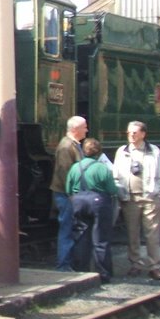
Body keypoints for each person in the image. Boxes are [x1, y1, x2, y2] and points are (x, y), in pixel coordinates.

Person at [113, 121, 160, 280]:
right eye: (129, 132)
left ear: (143, 134)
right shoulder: (121, 152)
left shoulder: (154, 151)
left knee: (152, 233)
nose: (131, 135)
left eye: (135, 132)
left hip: (149, 198)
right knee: (132, 233)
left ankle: (154, 265)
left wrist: (156, 192)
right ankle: (135, 264)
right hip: (130, 198)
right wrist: (121, 190)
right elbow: (116, 175)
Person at [65, 138, 118, 282]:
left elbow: (68, 188)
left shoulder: (75, 167)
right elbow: (112, 189)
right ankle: (104, 274)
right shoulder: (102, 168)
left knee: (81, 237)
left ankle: (81, 272)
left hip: (78, 202)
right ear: (99, 152)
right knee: (101, 239)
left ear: (83, 151)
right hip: (98, 203)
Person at [50, 115, 88, 271]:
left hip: (70, 194)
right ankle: (63, 264)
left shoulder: (73, 145)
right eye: (84, 127)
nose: (87, 130)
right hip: (67, 195)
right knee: (67, 228)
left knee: (70, 227)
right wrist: (74, 194)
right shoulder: (66, 147)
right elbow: (66, 172)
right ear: (75, 129)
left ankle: (69, 262)